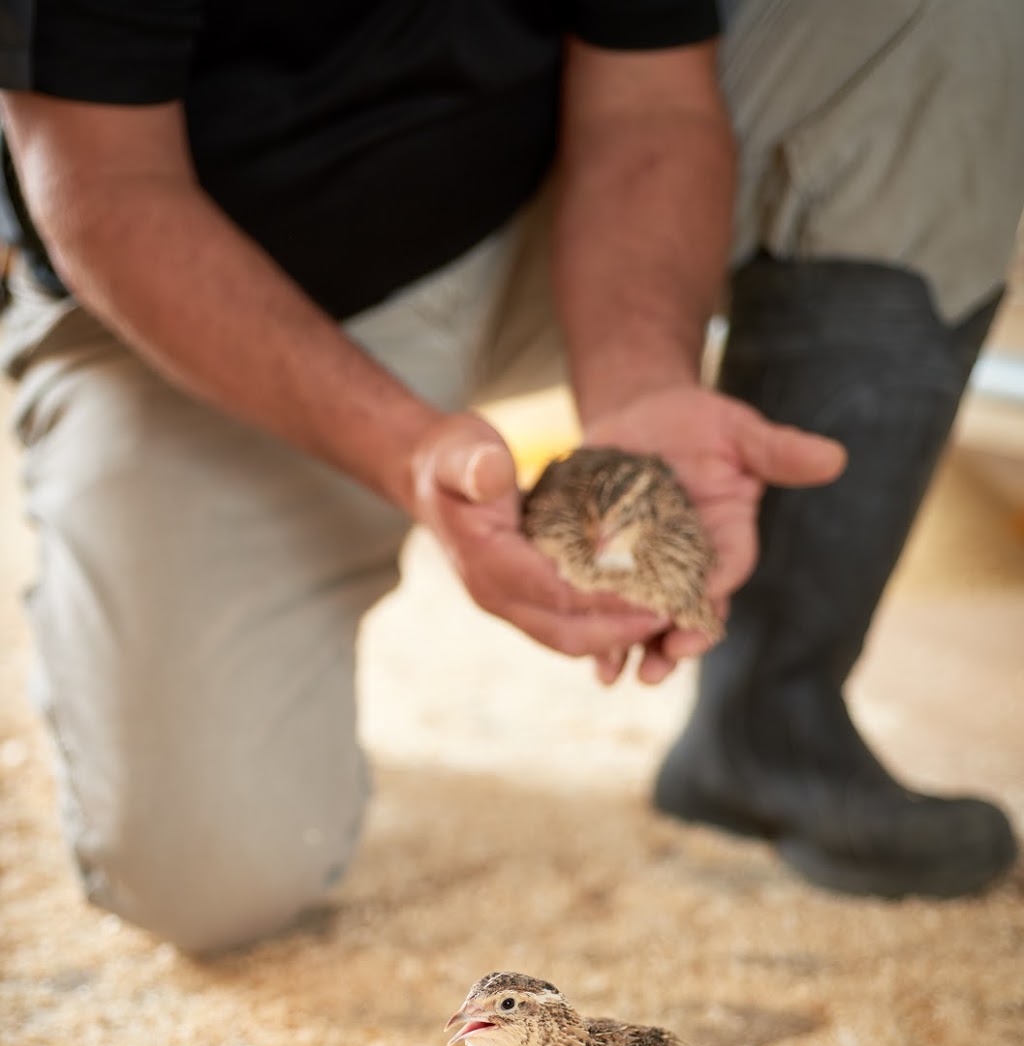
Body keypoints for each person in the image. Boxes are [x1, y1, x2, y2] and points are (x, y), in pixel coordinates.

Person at [0, 2, 1020, 954]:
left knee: (934, 21)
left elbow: (648, 97)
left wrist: (638, 387)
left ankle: (773, 725)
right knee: (210, 877)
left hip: (534, 185)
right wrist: (405, 446)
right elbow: (105, 185)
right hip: (197, 282)